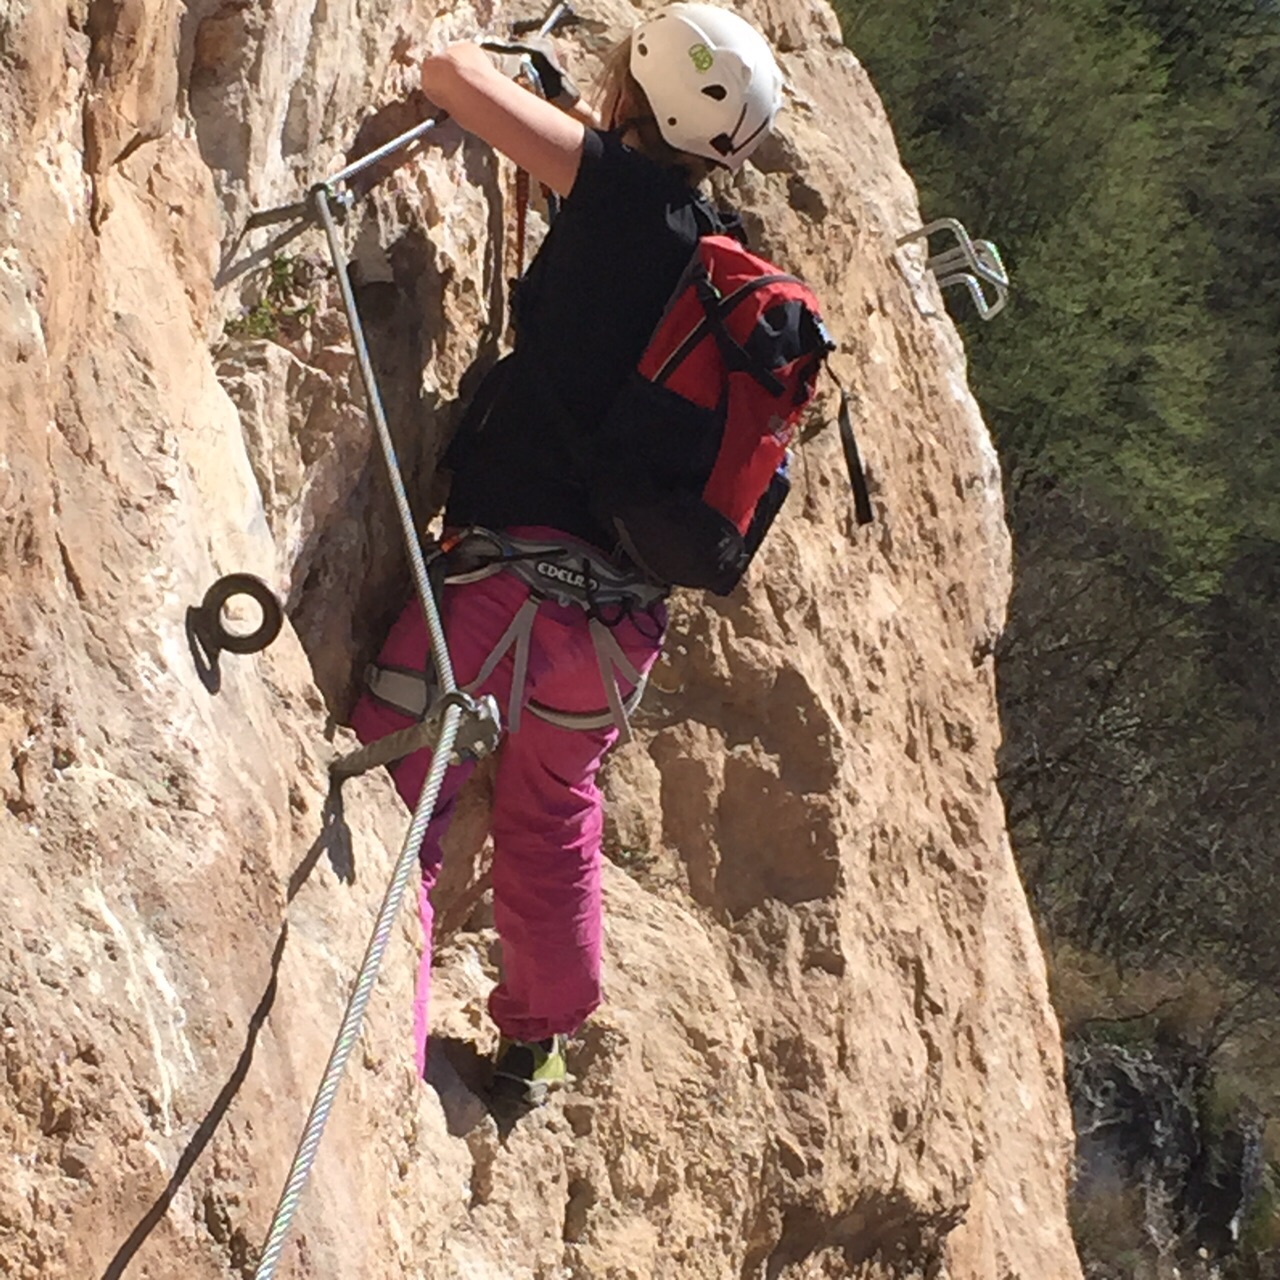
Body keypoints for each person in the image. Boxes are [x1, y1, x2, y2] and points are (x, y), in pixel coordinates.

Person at [349, 3, 785, 1107]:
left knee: (401, 789)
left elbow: (450, 75)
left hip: (504, 591)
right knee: (553, 816)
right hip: (613, 631)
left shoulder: (618, 196)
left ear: (637, 95)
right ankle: (533, 1043)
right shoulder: (714, 250)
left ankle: (372, 1063)